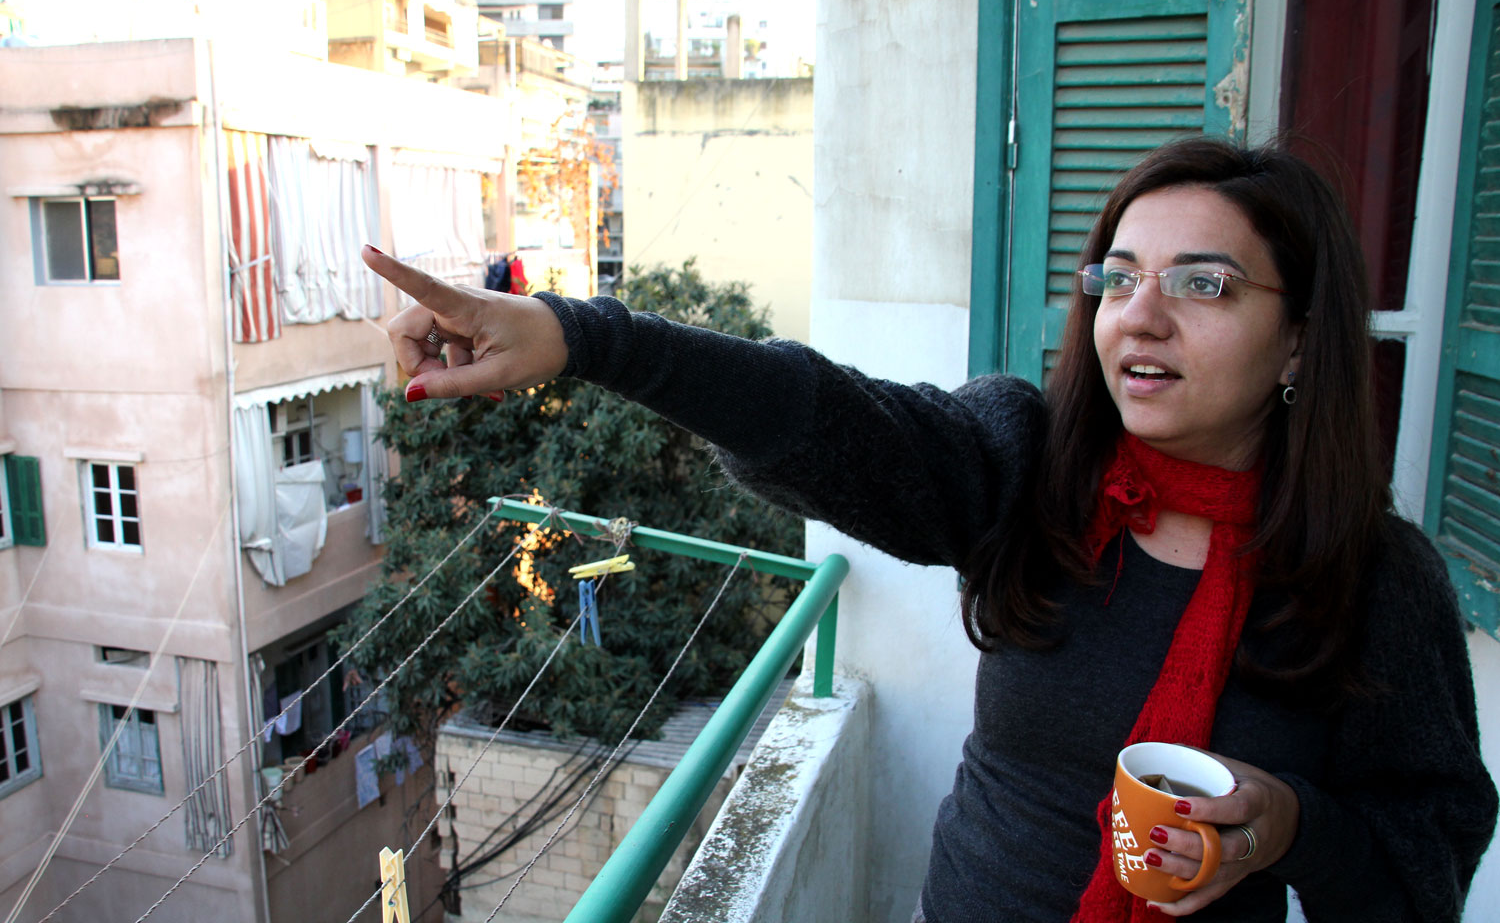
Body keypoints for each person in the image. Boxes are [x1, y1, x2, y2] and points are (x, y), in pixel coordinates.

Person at [360, 137, 1497, 922]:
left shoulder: (1378, 580)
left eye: (1205, 285)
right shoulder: (1035, 468)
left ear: (1299, 341)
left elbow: (1427, 858)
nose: (1139, 313)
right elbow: (829, 419)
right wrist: (581, 336)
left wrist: (1292, 824)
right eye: (1119, 275)